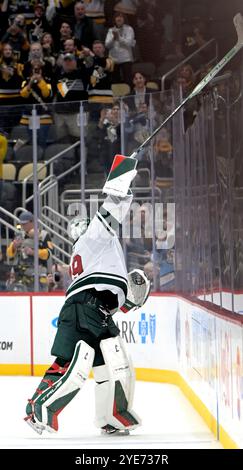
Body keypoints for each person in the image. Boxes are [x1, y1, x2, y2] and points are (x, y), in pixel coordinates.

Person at [25, 154, 147, 436]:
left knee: (114, 365)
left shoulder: (97, 253)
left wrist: (125, 301)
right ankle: (39, 407)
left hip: (93, 309)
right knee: (74, 365)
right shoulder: (93, 238)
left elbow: (104, 287)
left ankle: (111, 416)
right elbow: (111, 207)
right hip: (85, 308)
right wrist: (123, 171)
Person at [6, 211, 53, 291]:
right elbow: (9, 254)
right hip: (20, 274)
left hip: (38, 273)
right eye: (21, 224)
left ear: (32, 222)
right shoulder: (19, 235)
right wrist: (14, 246)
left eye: (25, 224)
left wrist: (34, 252)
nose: (22, 226)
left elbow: (49, 253)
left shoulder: (44, 235)